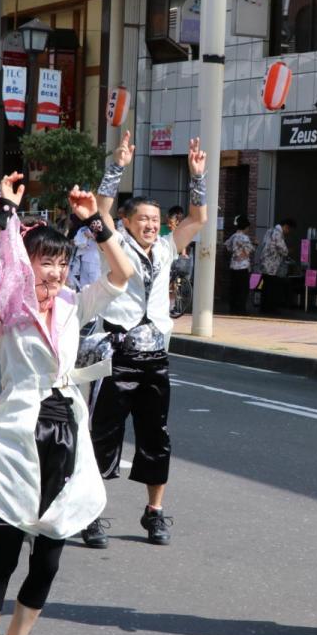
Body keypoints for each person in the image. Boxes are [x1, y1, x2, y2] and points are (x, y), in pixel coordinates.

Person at [0, 172, 133, 635]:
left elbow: (122, 274)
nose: (53, 271)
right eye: (43, 261)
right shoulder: (7, 311)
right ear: (23, 264)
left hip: (67, 436)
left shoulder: (76, 305)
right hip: (18, 439)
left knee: (50, 556)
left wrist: (95, 222)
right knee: (5, 555)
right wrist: (2, 213)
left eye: (59, 261)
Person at [83, 131, 208, 547]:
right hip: (116, 357)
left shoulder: (169, 248)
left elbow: (198, 219)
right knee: (104, 435)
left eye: (155, 221)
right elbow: (99, 213)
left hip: (155, 358)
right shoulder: (113, 244)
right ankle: (91, 513)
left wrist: (197, 178)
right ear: (127, 224)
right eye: (143, 220)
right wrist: (116, 167)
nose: (151, 226)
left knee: (157, 437)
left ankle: (154, 513)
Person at [259, 217, 295, 314]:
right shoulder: (278, 233)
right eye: (289, 230)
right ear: (286, 227)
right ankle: (269, 308)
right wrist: (288, 251)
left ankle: (264, 308)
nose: (288, 232)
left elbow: (263, 244)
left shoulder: (270, 231)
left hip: (264, 263)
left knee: (265, 286)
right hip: (272, 265)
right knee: (271, 287)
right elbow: (282, 249)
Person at [224, 214, 255, 315]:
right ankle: (241, 309)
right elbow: (250, 250)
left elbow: (227, 246)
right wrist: (255, 244)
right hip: (243, 266)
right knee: (243, 289)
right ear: (246, 226)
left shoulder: (233, 236)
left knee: (234, 288)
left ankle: (233, 308)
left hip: (233, 265)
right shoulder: (245, 238)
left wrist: (235, 252)